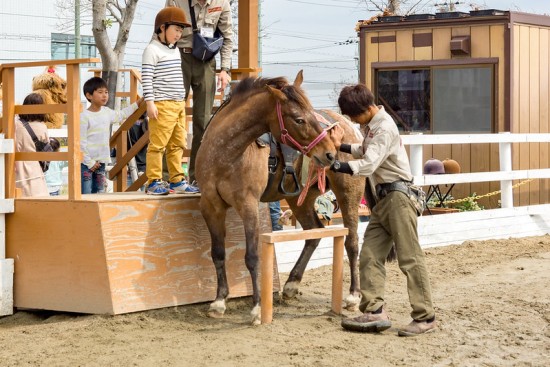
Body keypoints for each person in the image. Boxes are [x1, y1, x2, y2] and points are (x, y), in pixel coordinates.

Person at [329, 84, 436, 337]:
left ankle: (425, 316)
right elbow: (364, 149)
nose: (353, 120)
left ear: (367, 109)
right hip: (384, 200)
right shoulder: (373, 126)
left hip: (398, 198)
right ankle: (374, 310)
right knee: (369, 254)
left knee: (410, 258)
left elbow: (368, 163)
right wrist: (341, 146)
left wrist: (336, 166)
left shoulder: (385, 127)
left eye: (354, 116)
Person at [165, 0, 233, 185]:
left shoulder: (222, 3)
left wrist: (225, 69)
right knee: (170, 118)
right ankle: (167, 176)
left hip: (206, 61)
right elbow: (162, 32)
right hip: (178, 58)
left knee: (203, 122)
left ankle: (197, 177)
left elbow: (227, 37)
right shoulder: (176, 1)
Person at [142, 7, 199, 195]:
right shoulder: (152, 50)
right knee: (158, 145)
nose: (179, 34)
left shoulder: (174, 51)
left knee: (177, 144)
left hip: (178, 104)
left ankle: (177, 180)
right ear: (162, 28)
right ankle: (153, 181)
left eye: (181, 30)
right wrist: (150, 102)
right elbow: (147, 77)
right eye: (176, 29)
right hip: (162, 104)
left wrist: (182, 102)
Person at [80, 77, 143, 194]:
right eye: (100, 92)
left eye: (106, 92)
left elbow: (122, 114)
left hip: (101, 162)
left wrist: (138, 103)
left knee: (100, 192)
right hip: (86, 164)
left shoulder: (107, 112)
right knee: (86, 194)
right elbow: (80, 142)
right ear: (89, 96)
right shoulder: (84, 116)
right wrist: (89, 162)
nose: (104, 95)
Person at [14, 93, 49, 197]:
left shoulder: (16, 125)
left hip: (17, 166)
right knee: (37, 199)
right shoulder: (43, 127)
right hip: (35, 168)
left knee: (18, 197)